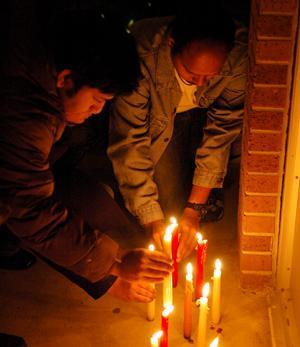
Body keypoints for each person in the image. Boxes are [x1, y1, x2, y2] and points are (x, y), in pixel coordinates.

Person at [0, 1, 173, 303]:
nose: (97, 110)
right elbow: (32, 210)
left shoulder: (39, 57)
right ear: (65, 78)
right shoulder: (25, 116)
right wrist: (115, 265)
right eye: (97, 98)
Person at [108, 5, 248, 262]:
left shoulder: (239, 54)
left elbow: (223, 129)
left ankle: (209, 192)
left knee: (192, 210)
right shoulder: (141, 53)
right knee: (165, 211)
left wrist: (194, 209)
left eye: (211, 75)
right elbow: (129, 139)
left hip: (205, 113)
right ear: (172, 44)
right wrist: (151, 219)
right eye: (191, 73)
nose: (200, 83)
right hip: (159, 122)